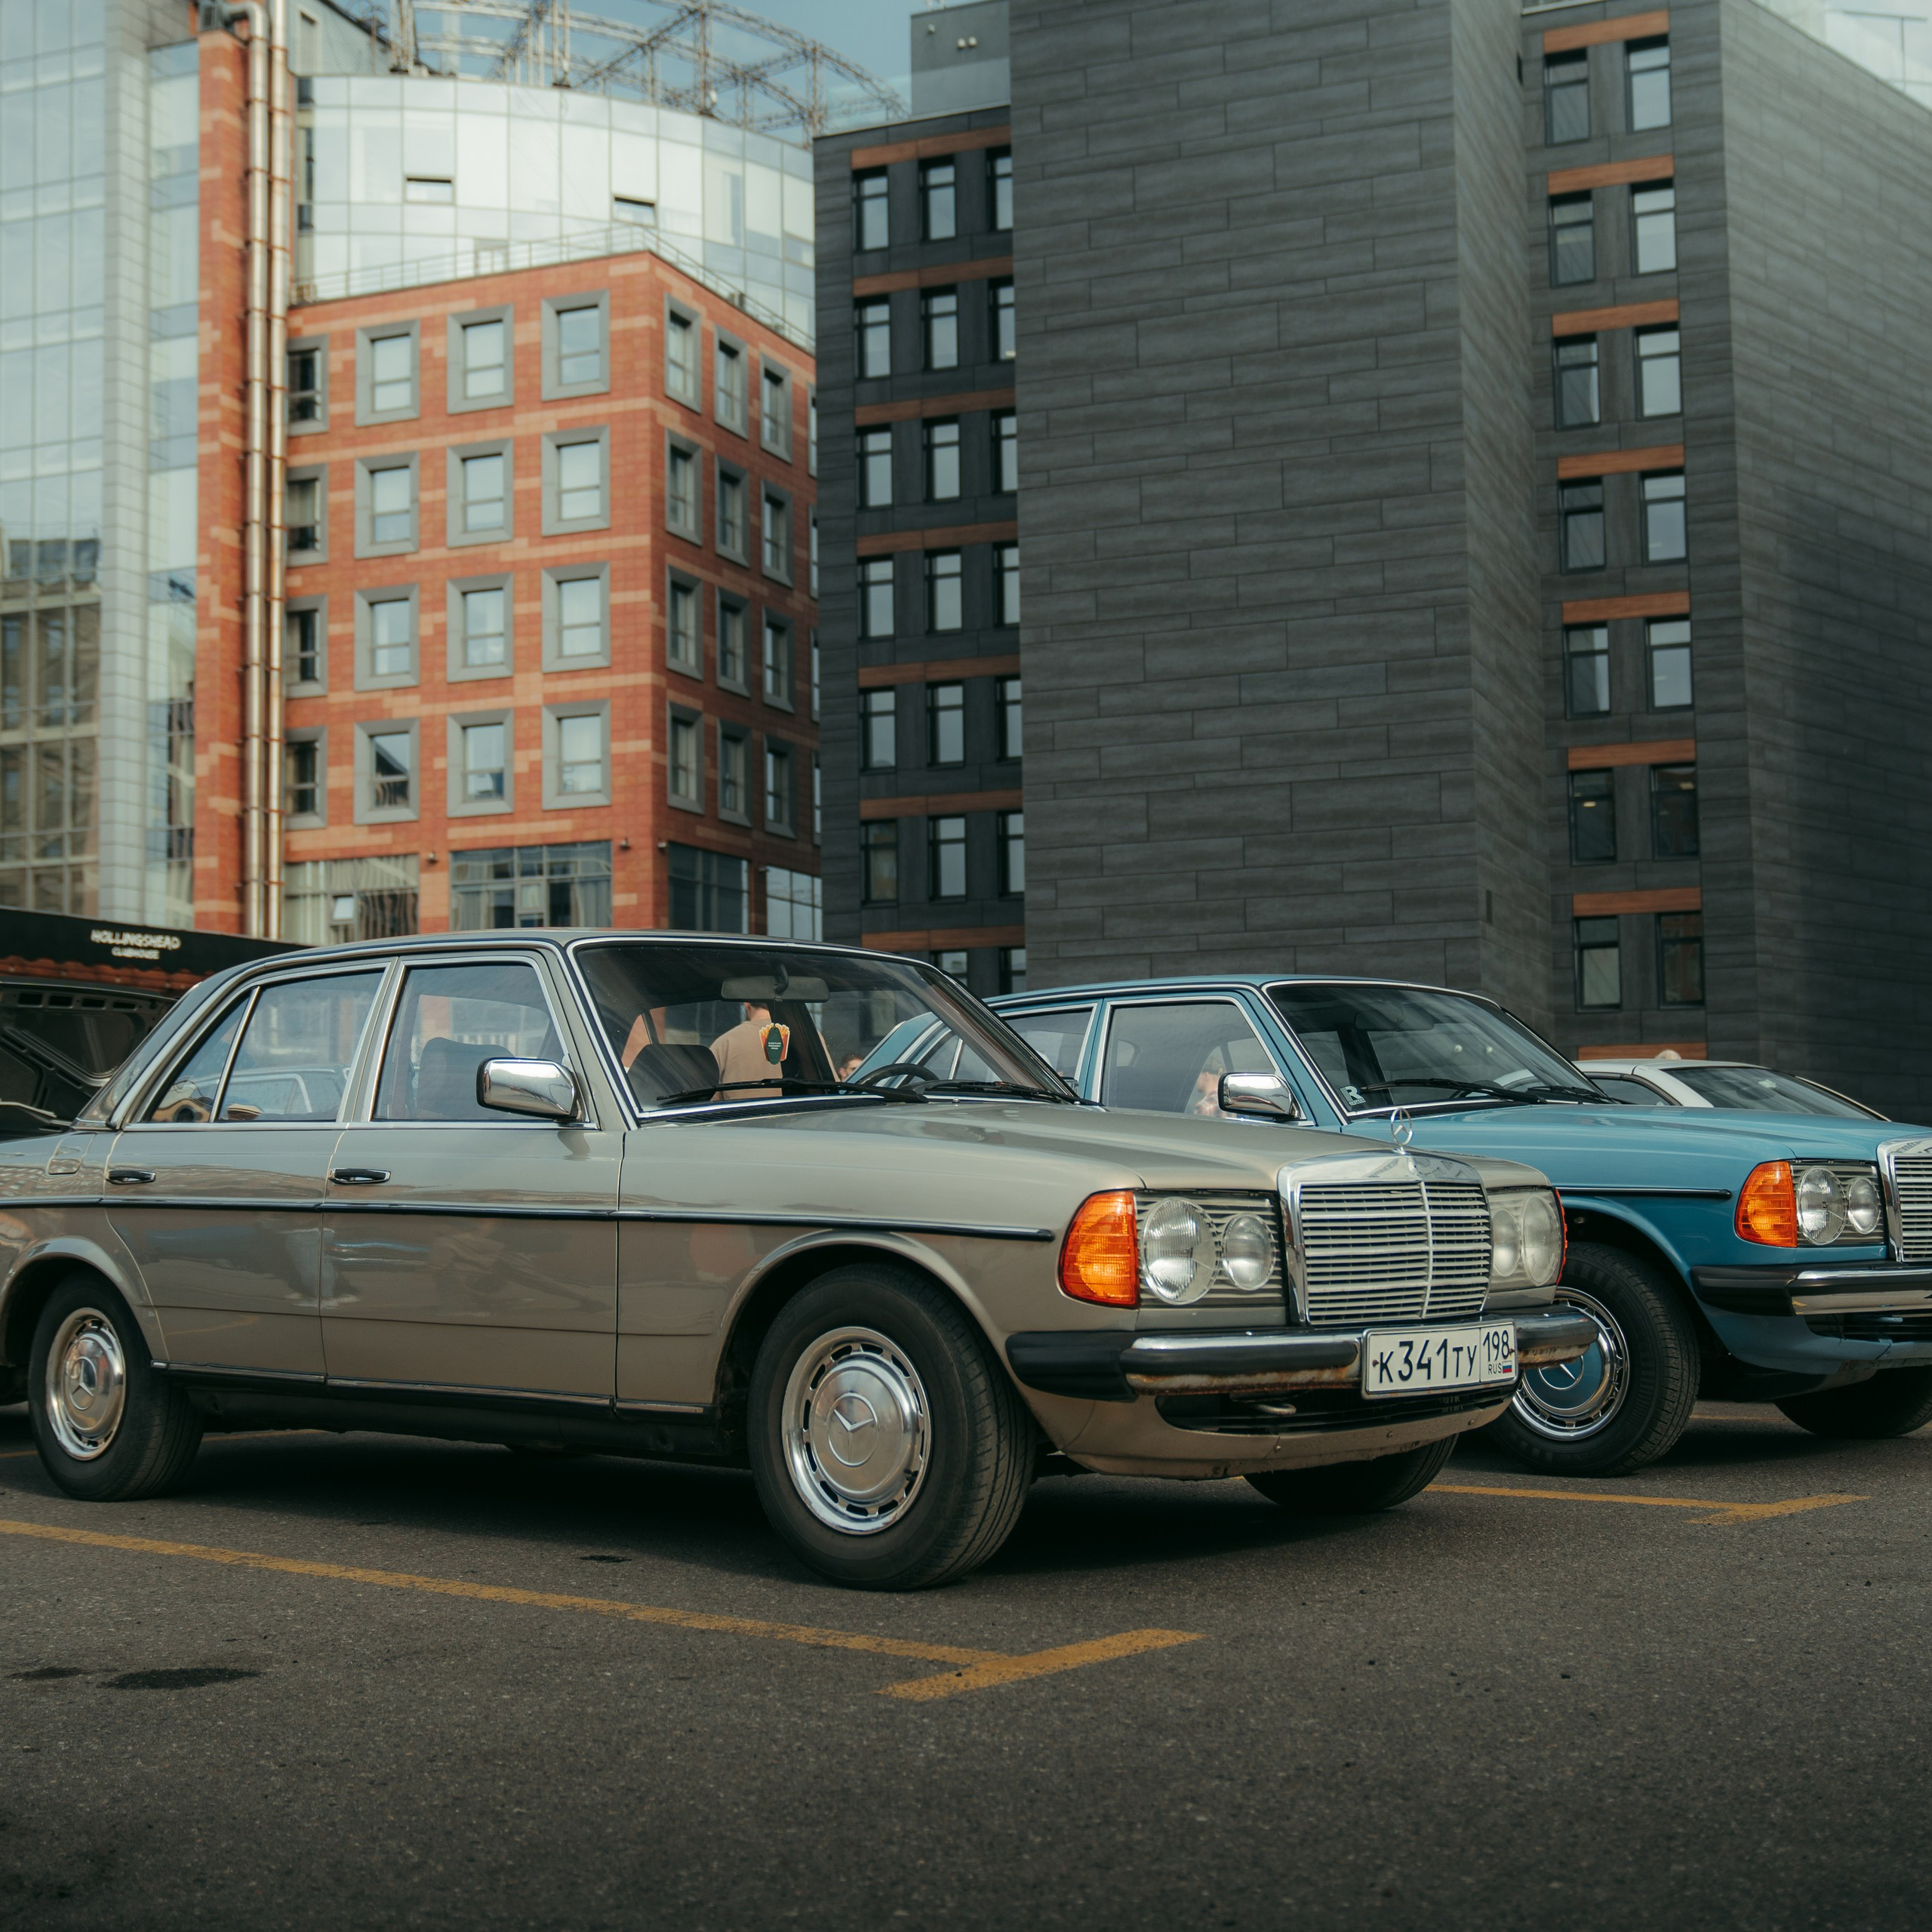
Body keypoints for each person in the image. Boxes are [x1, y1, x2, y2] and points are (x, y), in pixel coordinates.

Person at [711, 1000, 784, 1095]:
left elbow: (709, 1093)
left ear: (747, 1004)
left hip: (739, 1105)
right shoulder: (795, 1037)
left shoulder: (726, 1042)